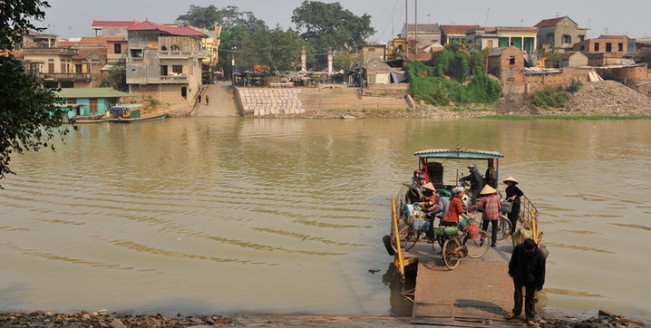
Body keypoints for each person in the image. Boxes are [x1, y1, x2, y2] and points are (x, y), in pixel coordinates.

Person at [506, 238, 546, 326]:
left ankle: (530, 316)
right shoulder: (518, 248)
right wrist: (511, 271)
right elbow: (513, 260)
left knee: (530, 298)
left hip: (532, 279)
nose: (527, 252)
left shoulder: (540, 256)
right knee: (517, 294)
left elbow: (541, 272)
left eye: (529, 250)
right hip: (518, 275)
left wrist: (539, 286)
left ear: (534, 248)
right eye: (525, 250)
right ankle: (516, 311)